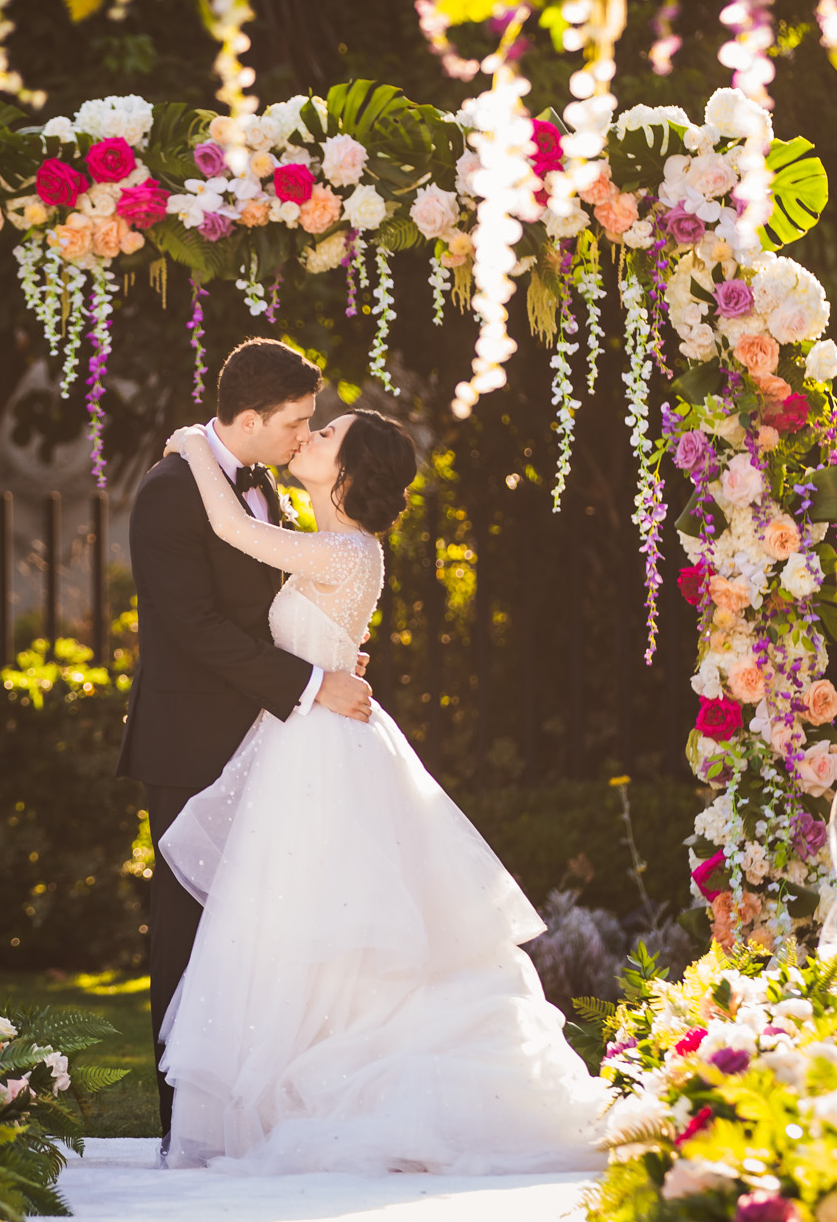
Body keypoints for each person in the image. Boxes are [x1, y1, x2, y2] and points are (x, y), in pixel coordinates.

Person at [152, 405, 615, 1174]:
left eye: (326, 434)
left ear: (351, 471)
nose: (310, 436)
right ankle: (298, 1090)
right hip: (308, 745)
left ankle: (342, 1095)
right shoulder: (337, 544)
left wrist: (196, 447)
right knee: (302, 921)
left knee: (331, 925)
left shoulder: (347, 550)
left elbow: (238, 533)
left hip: (324, 758)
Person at [115, 339, 375, 1152]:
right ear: (253, 418)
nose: (305, 436)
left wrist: (322, 654)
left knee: (265, 934)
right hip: (193, 740)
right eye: (297, 422)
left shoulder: (263, 487)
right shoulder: (168, 493)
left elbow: (275, 600)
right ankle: (183, 1130)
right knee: (188, 933)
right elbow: (192, 628)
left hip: (269, 746)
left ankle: (256, 1115)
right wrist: (310, 682)